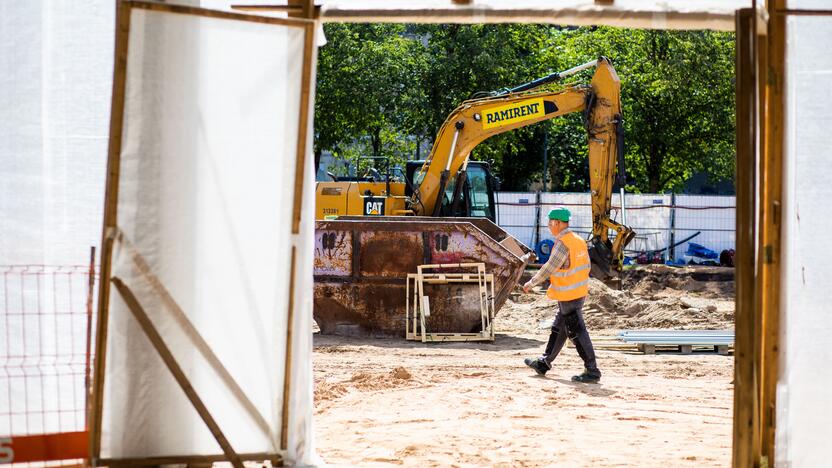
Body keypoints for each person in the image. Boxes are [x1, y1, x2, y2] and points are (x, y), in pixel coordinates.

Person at [522, 207, 602, 383]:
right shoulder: (578, 240)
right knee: (559, 327)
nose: (549, 226)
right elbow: (587, 266)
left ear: (557, 223)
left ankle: (592, 370)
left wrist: (531, 282)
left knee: (577, 331)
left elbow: (550, 267)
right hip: (578, 291)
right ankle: (543, 363)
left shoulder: (563, 242)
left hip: (569, 293)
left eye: (550, 223)